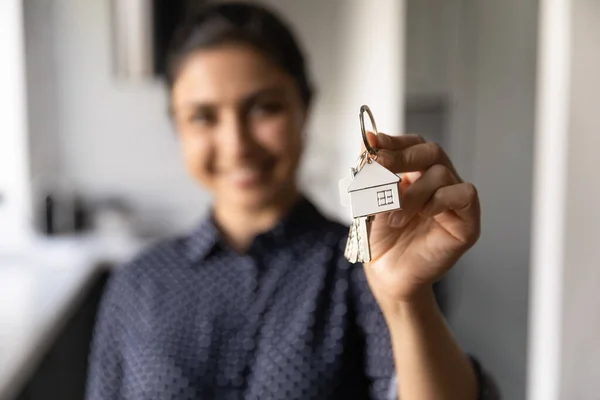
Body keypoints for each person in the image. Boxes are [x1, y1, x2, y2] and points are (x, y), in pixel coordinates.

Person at [86, 2, 499, 399]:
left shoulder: (367, 271)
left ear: (305, 107)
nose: (236, 145)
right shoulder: (136, 284)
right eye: (203, 117)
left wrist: (405, 300)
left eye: (264, 108)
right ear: (177, 128)